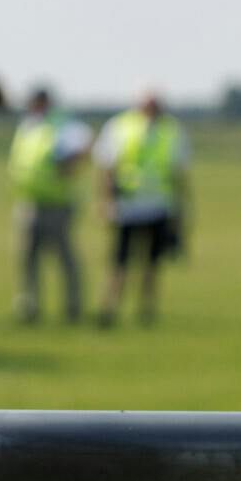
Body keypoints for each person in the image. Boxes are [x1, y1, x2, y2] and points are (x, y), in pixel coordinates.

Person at [93, 90, 190, 326]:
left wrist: (180, 209)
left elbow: (179, 174)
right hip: (128, 205)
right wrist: (106, 202)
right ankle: (110, 307)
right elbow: (107, 168)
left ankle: (146, 310)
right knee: (119, 262)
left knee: (152, 263)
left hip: (158, 205)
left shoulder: (171, 130)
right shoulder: (120, 127)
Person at [9, 86, 91, 323]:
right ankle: (29, 307)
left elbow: (84, 145)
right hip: (28, 200)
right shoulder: (27, 125)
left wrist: (67, 167)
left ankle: (73, 307)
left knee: (64, 257)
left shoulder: (63, 124)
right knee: (26, 258)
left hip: (57, 202)